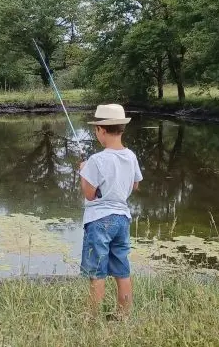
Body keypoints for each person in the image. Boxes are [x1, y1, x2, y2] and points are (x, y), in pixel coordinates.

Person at [78, 104, 142, 320]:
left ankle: (91, 317)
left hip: (99, 221)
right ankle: (123, 315)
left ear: (101, 130)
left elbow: (89, 193)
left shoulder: (96, 160)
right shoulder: (131, 155)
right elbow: (134, 185)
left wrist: (83, 172)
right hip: (122, 219)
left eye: (96, 128)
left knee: (97, 273)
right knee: (121, 270)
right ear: (122, 128)